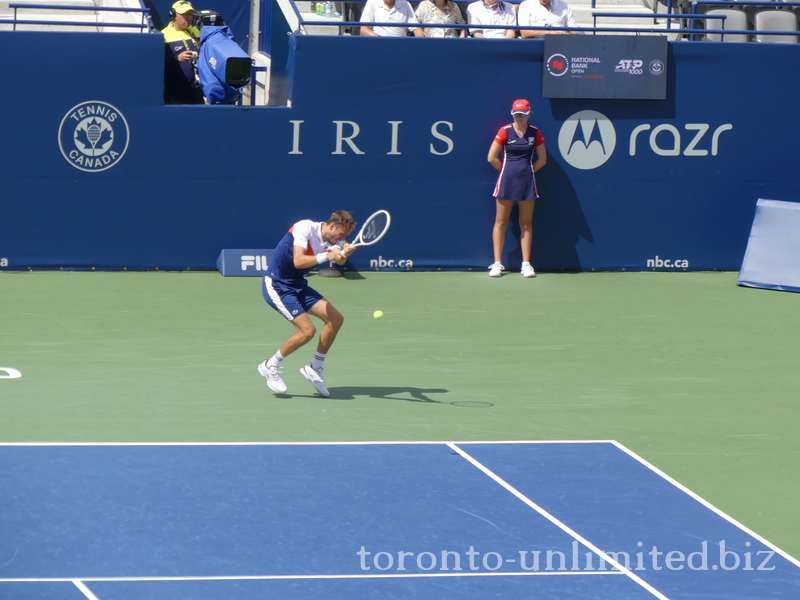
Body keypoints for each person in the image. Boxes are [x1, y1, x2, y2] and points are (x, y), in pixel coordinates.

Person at [258, 211, 358, 397]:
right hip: (277, 285)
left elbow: (339, 256)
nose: (342, 238)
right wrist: (327, 256)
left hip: (297, 286)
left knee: (336, 319)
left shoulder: (334, 242)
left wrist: (344, 253)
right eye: (342, 234)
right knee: (307, 331)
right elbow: (298, 261)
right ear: (332, 226)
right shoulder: (305, 227)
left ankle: (315, 367)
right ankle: (269, 365)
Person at [486, 99, 547, 278]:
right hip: (506, 182)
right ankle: (497, 264)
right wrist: (507, 172)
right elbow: (491, 157)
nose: (519, 117)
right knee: (501, 222)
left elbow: (542, 160)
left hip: (528, 183)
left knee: (526, 223)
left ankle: (526, 265)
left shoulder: (535, 132)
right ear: (512, 114)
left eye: (522, 114)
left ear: (529, 114)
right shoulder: (504, 131)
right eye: (516, 114)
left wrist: (528, 172)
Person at [161, 0, 205, 104]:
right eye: (184, 14)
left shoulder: (197, 31)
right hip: (176, 93)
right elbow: (157, 61)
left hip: (197, 91)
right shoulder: (164, 34)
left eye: (190, 14)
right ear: (174, 15)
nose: (188, 17)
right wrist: (177, 58)